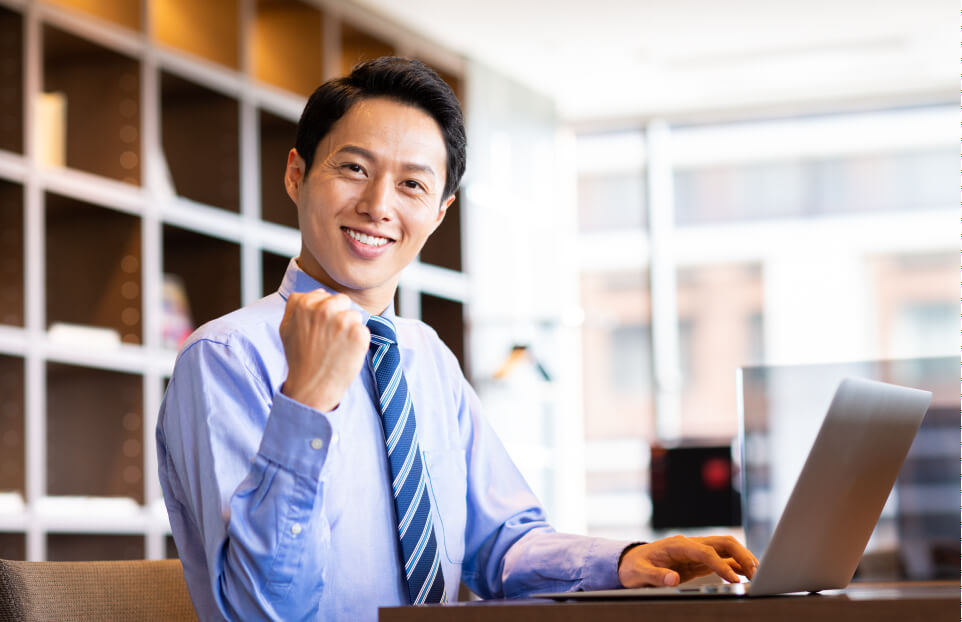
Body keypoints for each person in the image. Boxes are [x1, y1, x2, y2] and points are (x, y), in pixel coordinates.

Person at [157, 56, 757, 622]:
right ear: (297, 174)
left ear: (439, 213)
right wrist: (305, 404)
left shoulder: (425, 358)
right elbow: (266, 610)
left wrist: (625, 561)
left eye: (411, 185)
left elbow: (502, 547)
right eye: (354, 168)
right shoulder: (225, 357)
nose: (376, 206)